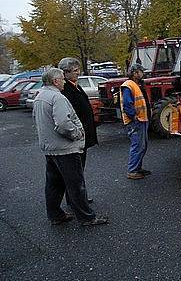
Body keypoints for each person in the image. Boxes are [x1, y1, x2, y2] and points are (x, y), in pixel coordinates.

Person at [33, 68, 108, 226]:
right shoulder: (57, 97)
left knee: (54, 184)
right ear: (55, 81)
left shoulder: (40, 96)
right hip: (65, 149)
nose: (64, 81)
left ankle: (55, 215)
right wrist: (77, 134)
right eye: (62, 79)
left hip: (50, 148)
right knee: (76, 184)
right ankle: (87, 217)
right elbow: (63, 124)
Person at [57, 57, 97, 204]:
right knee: (75, 171)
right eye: (75, 71)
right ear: (65, 73)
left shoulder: (75, 85)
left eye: (78, 70)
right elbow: (68, 117)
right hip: (77, 136)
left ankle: (77, 198)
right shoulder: (66, 89)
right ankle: (76, 200)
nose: (78, 73)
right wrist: (79, 131)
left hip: (83, 134)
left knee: (79, 170)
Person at [120, 63, 151, 180]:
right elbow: (127, 104)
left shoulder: (137, 84)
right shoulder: (129, 85)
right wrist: (134, 116)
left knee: (142, 145)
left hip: (142, 119)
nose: (142, 73)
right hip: (136, 121)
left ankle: (137, 168)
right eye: (140, 71)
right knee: (137, 145)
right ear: (135, 73)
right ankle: (132, 170)